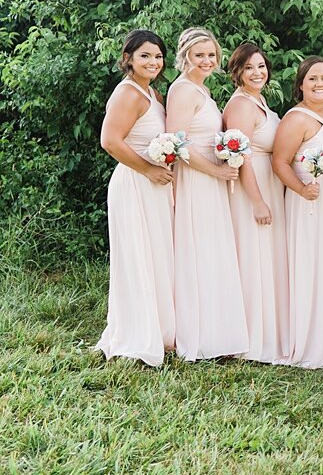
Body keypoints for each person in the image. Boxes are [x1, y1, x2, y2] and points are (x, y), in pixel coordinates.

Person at [166, 27, 249, 361]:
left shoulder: (203, 90)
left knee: (213, 253)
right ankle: (198, 337)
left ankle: (217, 334)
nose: (206, 60)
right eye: (199, 54)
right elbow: (177, 142)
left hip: (212, 181)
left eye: (211, 55)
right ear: (185, 55)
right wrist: (216, 170)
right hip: (196, 181)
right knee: (198, 253)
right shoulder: (183, 91)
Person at [95, 30, 175, 366]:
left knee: (157, 254)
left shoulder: (153, 94)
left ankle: (161, 328)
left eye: (157, 56)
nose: (153, 62)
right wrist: (148, 169)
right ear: (128, 58)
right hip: (135, 183)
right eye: (145, 56)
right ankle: (137, 333)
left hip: (154, 184)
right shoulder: (127, 93)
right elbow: (110, 141)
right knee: (138, 255)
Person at [273, 56, 323, 368]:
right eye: (313, 79)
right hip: (310, 201)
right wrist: (303, 190)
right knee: (312, 264)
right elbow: (279, 162)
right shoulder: (296, 119)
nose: (320, 84)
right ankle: (310, 340)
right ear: (301, 84)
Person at [223, 43, 288, 363]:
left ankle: (269, 330)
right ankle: (249, 337)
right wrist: (257, 201)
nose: (257, 73)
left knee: (267, 258)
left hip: (269, 182)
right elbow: (241, 158)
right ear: (237, 72)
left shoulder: (258, 101)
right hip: (253, 186)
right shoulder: (240, 106)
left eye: (261, 66)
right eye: (249, 68)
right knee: (252, 256)